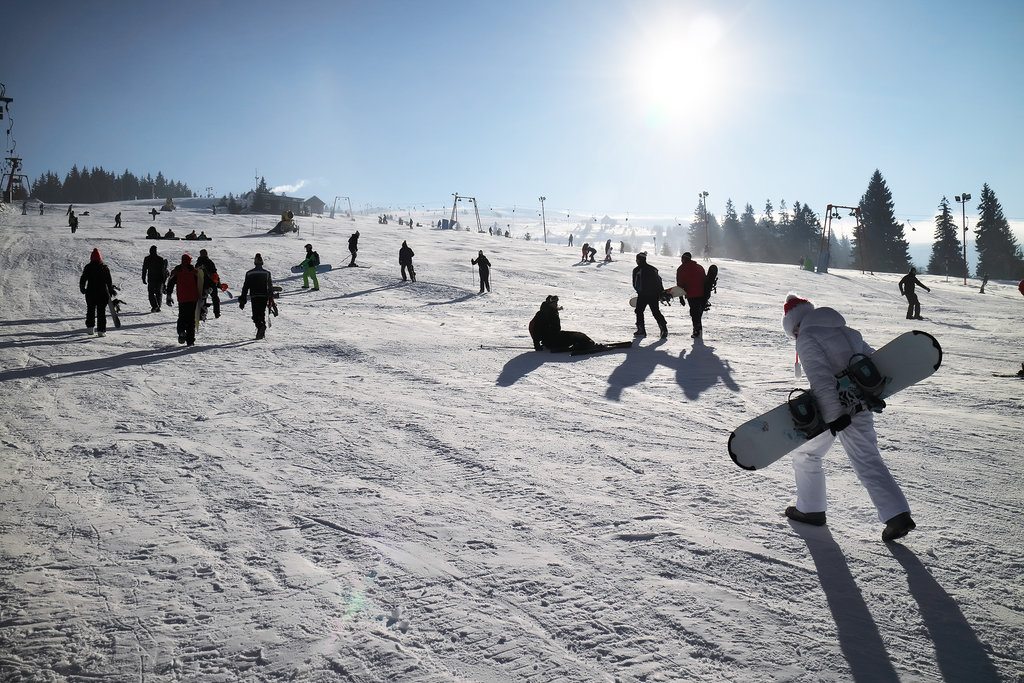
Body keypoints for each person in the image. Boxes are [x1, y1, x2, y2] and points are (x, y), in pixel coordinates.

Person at [781, 294, 916, 542]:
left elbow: (821, 379)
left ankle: (812, 509)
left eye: (794, 332)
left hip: (833, 410)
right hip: (859, 403)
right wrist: (875, 393)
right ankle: (896, 514)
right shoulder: (848, 331)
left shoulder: (808, 338)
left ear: (796, 325)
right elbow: (873, 361)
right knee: (864, 456)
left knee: (806, 454)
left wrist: (835, 416)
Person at [529, 295, 595, 353]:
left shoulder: (551, 311)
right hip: (551, 341)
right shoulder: (542, 314)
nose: (556, 304)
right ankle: (587, 344)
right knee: (576, 336)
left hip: (554, 337)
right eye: (554, 303)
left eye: (556, 302)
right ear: (549, 304)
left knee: (576, 335)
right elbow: (536, 329)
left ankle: (586, 343)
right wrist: (537, 345)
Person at [166, 253, 200, 346]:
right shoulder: (194, 271)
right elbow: (201, 283)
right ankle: (190, 341)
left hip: (182, 298)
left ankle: (181, 331)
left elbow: (170, 283)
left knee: (182, 317)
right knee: (191, 319)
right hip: (193, 298)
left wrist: (169, 295)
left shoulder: (177, 271)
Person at [79, 248, 115, 336]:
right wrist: (110, 292)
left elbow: (83, 279)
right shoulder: (104, 268)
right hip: (102, 293)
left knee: (90, 310)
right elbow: (109, 282)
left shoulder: (88, 267)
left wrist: (82, 288)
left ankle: (90, 328)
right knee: (101, 312)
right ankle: (101, 331)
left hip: (90, 293)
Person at [632, 252, 668, 338]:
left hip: (643, 295)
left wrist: (639, 291)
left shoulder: (637, 270)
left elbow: (635, 284)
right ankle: (663, 328)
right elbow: (659, 282)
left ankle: (641, 330)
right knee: (656, 312)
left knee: (639, 311)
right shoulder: (653, 269)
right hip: (654, 295)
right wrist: (661, 292)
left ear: (638, 260)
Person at [239, 253, 274, 340]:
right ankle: (261, 332)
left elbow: (245, 287)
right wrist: (271, 297)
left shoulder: (249, 273)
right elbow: (270, 287)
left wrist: (242, 300)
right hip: (264, 296)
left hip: (255, 296)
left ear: (255, 262)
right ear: (262, 263)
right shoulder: (267, 273)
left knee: (255, 315)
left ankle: (261, 327)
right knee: (261, 314)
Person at [676, 252, 707, 339]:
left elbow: (680, 285)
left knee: (694, 312)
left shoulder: (681, 269)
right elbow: (705, 280)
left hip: (691, 294)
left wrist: (681, 297)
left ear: (683, 258)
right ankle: (698, 329)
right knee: (698, 312)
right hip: (702, 294)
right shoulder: (699, 267)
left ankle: (697, 331)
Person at [194, 248, 221, 318]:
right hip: (211, 283)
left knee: (202, 298)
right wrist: (218, 282)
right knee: (215, 298)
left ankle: (201, 313)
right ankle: (217, 313)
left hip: (201, 283)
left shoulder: (198, 263)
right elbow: (215, 273)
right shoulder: (209, 262)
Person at [142, 245, 168, 313]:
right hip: (158, 279)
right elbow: (163, 271)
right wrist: (163, 280)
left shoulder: (147, 258)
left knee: (151, 293)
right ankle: (157, 306)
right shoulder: (160, 259)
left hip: (152, 279)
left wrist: (143, 278)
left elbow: (144, 269)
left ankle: (155, 306)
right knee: (158, 293)